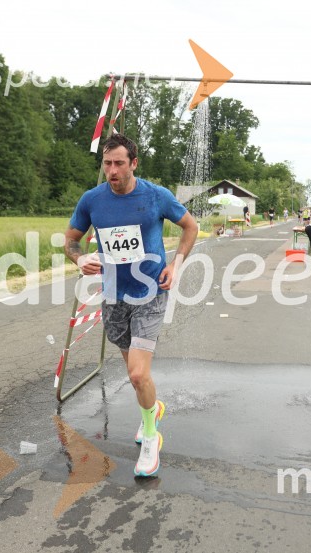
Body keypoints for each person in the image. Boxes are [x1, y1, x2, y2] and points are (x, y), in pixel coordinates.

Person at [64, 134, 198, 477]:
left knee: (139, 373)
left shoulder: (155, 196)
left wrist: (176, 264)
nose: (112, 170)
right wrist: (79, 261)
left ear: (133, 163)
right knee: (135, 375)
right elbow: (71, 241)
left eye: (119, 163)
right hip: (113, 294)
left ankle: (151, 438)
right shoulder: (92, 200)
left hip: (150, 291)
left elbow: (190, 226)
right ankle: (153, 409)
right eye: (107, 163)